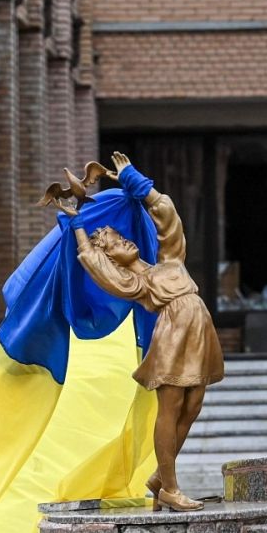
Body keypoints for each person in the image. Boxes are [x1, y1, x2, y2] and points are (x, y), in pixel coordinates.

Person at [72, 151, 224, 511]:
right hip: (173, 335)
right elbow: (97, 268)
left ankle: (159, 476)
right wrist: (77, 226)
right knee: (170, 409)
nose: (123, 240)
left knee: (194, 405)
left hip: (200, 330)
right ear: (111, 258)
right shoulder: (135, 282)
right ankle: (169, 487)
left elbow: (168, 218)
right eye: (114, 243)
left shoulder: (168, 261)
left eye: (121, 237)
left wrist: (136, 183)